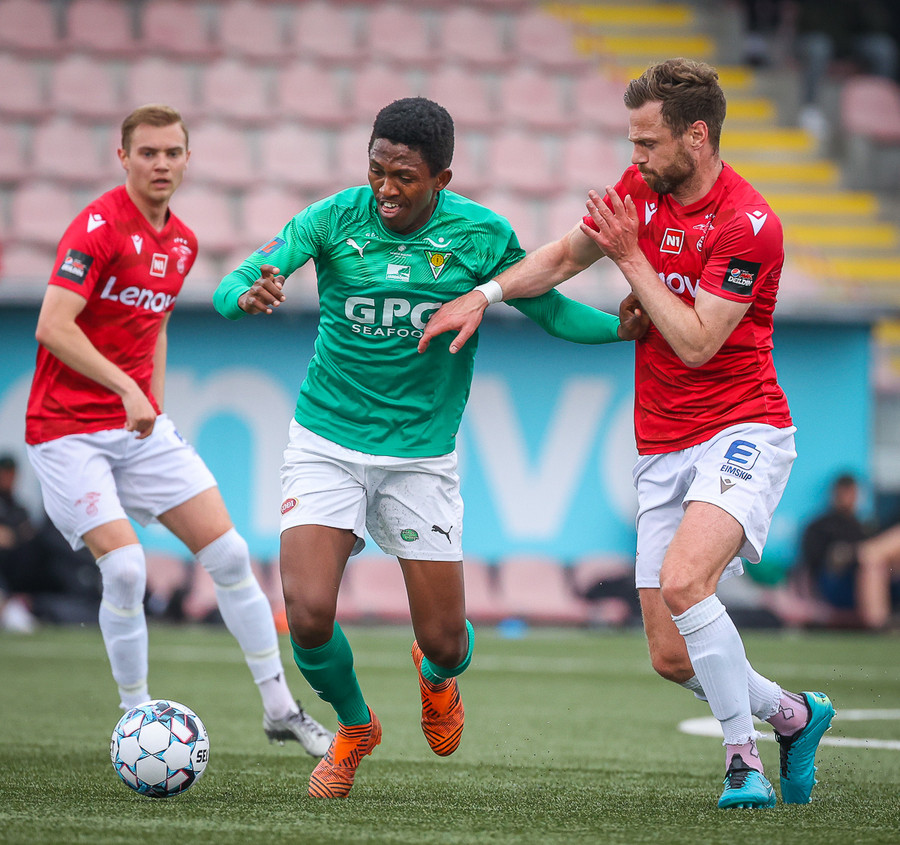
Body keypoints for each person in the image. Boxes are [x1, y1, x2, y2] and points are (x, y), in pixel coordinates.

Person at [418, 59, 836, 810]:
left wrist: (632, 257)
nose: (635, 156)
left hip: (742, 428)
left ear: (697, 136)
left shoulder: (749, 225)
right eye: (632, 142)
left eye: (647, 142)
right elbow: (562, 257)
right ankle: (794, 717)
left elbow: (698, 341)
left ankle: (741, 762)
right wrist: (484, 294)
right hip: (662, 442)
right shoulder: (641, 188)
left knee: (685, 582)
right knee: (671, 654)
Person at [213, 97, 647, 798]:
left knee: (446, 640)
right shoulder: (332, 219)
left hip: (420, 456)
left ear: (442, 177)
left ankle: (436, 675)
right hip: (326, 441)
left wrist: (616, 330)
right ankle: (355, 726)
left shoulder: (479, 235)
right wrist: (245, 296)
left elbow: (545, 306)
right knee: (308, 612)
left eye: (404, 177)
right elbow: (236, 280)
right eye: (376, 170)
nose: (385, 188)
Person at [24, 104, 332, 757]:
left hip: (136, 424)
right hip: (66, 430)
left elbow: (155, 324)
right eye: (148, 153)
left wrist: (152, 403)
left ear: (187, 159)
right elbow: (52, 325)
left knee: (231, 556)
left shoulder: (183, 243)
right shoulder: (98, 228)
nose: (160, 164)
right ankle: (135, 721)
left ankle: (280, 708)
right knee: (126, 568)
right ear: (123, 158)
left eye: (171, 152)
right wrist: (127, 388)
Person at [800, 473, 900, 629]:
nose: (848, 497)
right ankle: (878, 624)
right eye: (844, 492)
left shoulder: (863, 526)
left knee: (876, 561)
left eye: (852, 493)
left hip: (867, 573)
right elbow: (816, 563)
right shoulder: (821, 526)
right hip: (837, 581)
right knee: (872, 561)